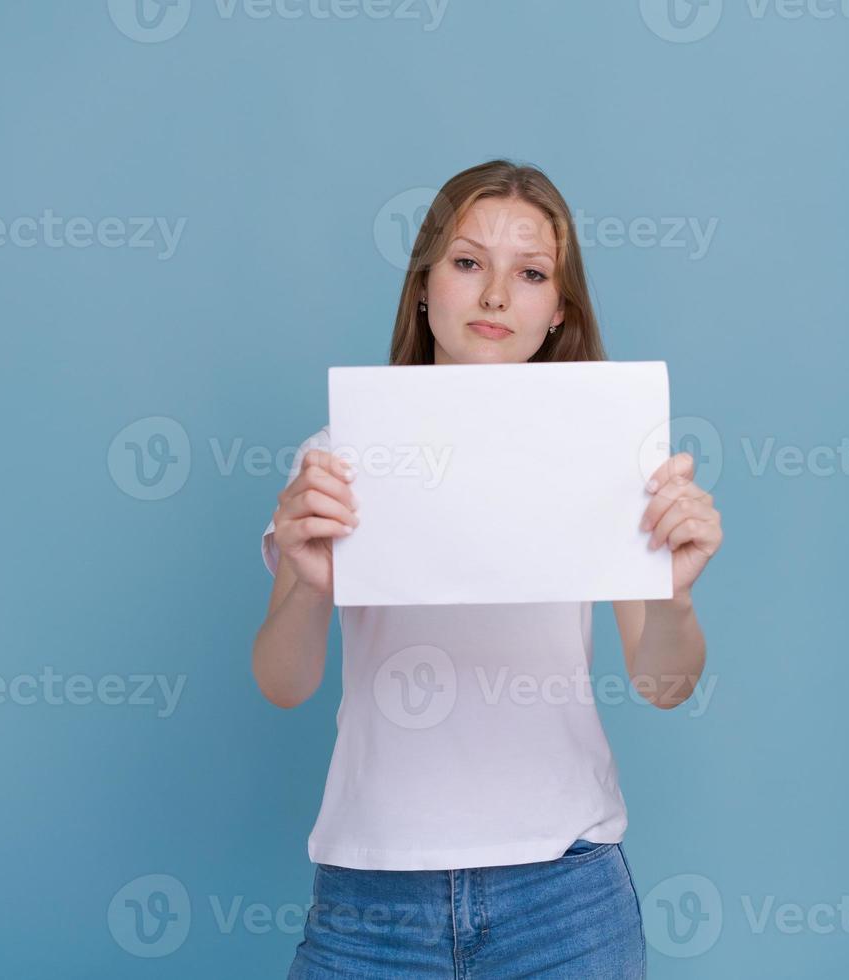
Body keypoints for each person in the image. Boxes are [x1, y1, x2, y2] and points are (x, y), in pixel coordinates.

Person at [253, 159, 724, 978]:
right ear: (425, 288)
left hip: (563, 899)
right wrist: (305, 584)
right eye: (469, 262)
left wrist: (675, 597)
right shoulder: (338, 458)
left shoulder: (607, 458)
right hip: (373, 903)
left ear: (555, 312)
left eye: (531, 272)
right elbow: (282, 681)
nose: (497, 294)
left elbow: (664, 683)